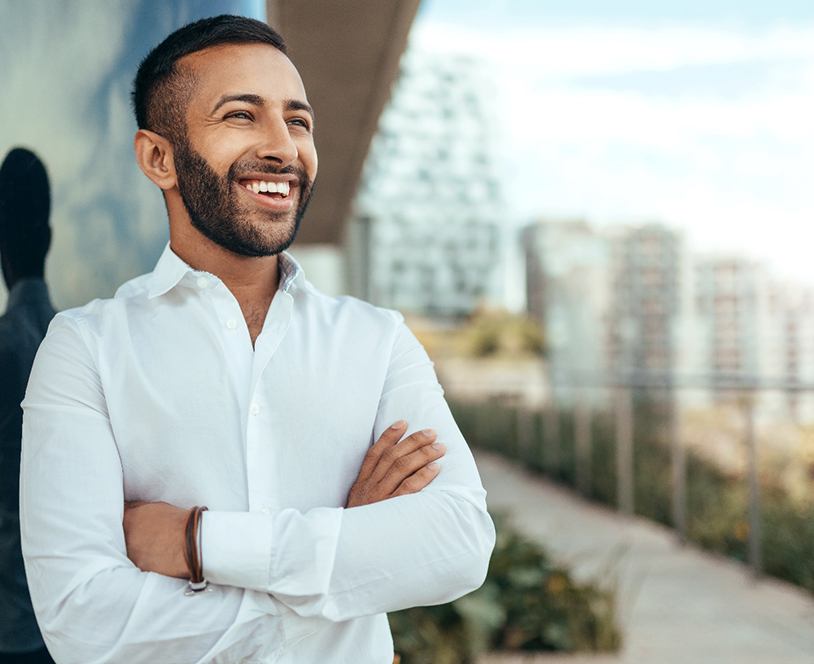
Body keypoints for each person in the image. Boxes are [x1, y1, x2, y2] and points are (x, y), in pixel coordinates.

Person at [20, 14, 495, 664]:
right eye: (242, 115)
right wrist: (345, 562)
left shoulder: (376, 341)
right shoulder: (84, 350)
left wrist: (198, 544)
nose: (283, 147)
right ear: (159, 158)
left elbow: (458, 543)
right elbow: (83, 622)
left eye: (298, 121)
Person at [0, 147, 56, 664]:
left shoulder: (6, 347)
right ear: (49, 240)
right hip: (70, 620)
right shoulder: (78, 345)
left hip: (14, 628)